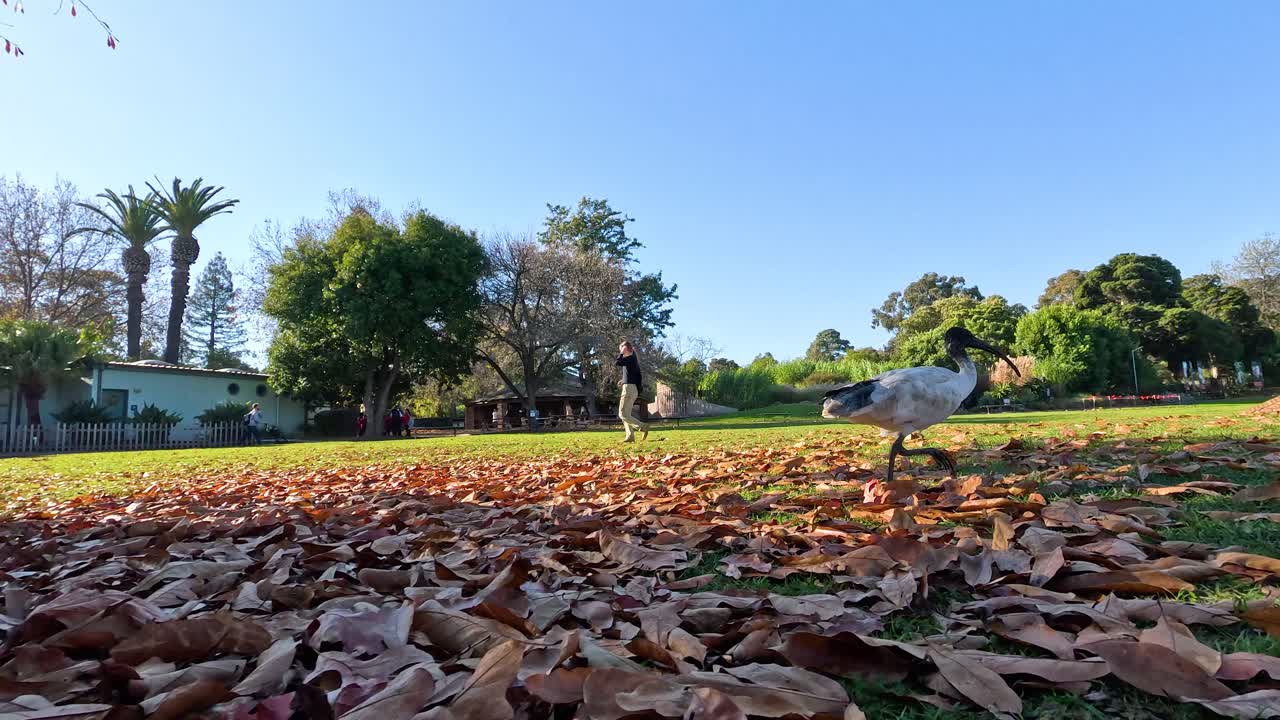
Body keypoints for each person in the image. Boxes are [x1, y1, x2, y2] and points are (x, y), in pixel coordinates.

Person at [615, 340, 649, 442]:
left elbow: (617, 362)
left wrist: (621, 352)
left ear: (625, 348)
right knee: (626, 415)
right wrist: (624, 380)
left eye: (621, 348)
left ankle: (642, 426)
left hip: (629, 389)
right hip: (631, 388)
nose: (620, 351)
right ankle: (630, 436)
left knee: (622, 414)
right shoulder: (632, 359)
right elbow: (635, 375)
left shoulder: (630, 358)